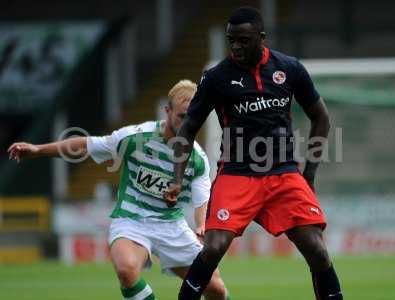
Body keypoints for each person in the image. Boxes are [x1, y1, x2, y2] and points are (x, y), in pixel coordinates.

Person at [164, 7, 343, 300]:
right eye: (230, 40)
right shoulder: (216, 77)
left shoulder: (290, 68)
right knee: (212, 248)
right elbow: (188, 129)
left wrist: (309, 173)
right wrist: (177, 179)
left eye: (243, 40)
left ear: (261, 38)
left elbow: (320, 117)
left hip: (283, 172)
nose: (235, 46)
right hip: (237, 174)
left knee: (318, 251)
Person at [8, 80, 230, 300]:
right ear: (167, 111)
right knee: (127, 270)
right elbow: (85, 145)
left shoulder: (198, 158)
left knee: (216, 290)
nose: (188, 122)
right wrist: (38, 149)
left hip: (171, 225)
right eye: (182, 115)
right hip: (132, 220)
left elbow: (202, 199)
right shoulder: (135, 138)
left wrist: (202, 224)